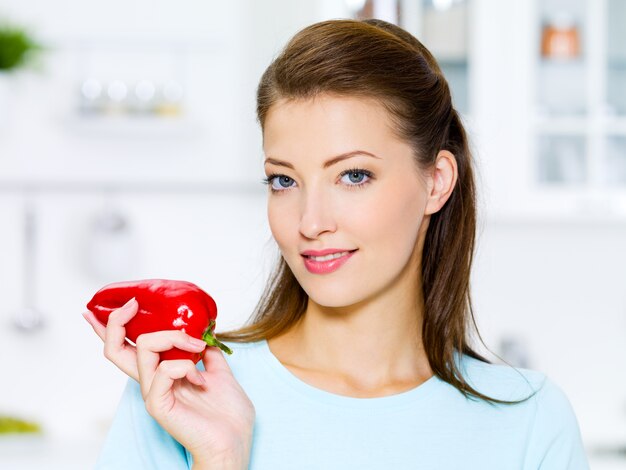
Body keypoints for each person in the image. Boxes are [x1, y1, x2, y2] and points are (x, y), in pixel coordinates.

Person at [82, 18, 590, 470]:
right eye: (284, 181)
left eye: (353, 175)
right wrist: (220, 458)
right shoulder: (183, 391)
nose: (310, 221)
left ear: (436, 181)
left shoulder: (529, 421)